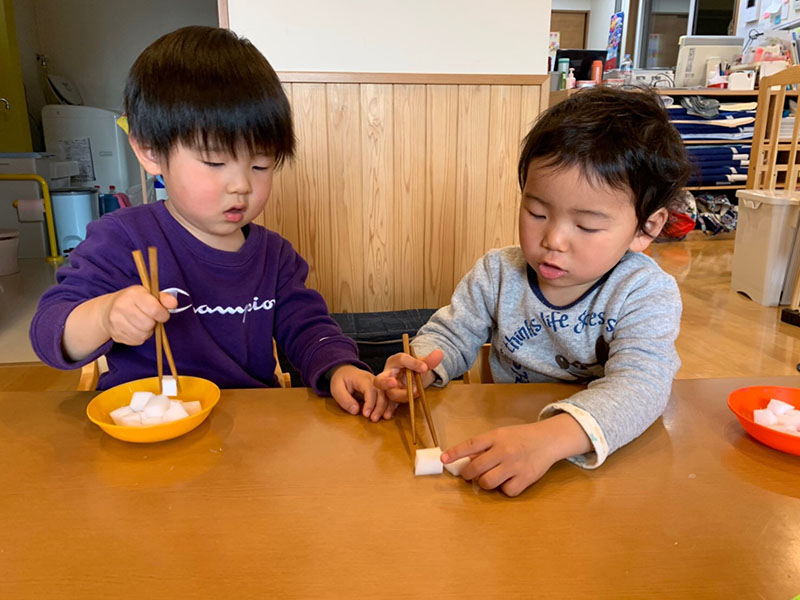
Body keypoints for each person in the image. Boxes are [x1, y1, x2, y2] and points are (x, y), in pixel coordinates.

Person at [30, 26, 387, 419]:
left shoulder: (275, 255)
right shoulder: (121, 238)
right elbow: (49, 332)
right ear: (150, 152)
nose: (241, 185)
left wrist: (339, 367)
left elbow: (307, 327)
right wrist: (104, 316)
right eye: (215, 162)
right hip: (147, 428)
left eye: (260, 165)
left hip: (250, 426)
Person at [375, 87, 693, 495]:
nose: (553, 239)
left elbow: (642, 386)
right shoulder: (498, 272)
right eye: (537, 212)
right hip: (504, 431)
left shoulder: (644, 292)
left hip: (594, 452)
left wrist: (551, 438)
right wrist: (421, 367)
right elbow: (452, 335)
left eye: (587, 226)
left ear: (646, 227)